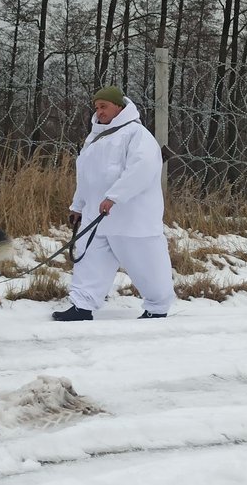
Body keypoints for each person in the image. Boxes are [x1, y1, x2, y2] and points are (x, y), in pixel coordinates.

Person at [52, 85, 175, 321]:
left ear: (119, 106)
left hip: (131, 218)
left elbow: (141, 170)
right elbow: (87, 177)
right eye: (97, 107)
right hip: (96, 216)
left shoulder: (137, 135)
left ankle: (157, 308)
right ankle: (82, 306)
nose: (99, 111)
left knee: (147, 264)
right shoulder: (95, 138)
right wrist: (77, 206)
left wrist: (114, 197)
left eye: (104, 106)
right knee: (90, 261)